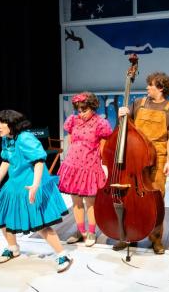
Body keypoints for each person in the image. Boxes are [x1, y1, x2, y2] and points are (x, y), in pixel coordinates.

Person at [0, 110, 73, 273]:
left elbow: (39, 162)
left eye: (0, 123)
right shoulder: (6, 139)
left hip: (32, 182)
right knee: (3, 216)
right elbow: (6, 161)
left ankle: (63, 254)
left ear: (11, 123)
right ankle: (13, 248)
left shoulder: (25, 138)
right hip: (14, 183)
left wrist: (35, 185)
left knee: (40, 224)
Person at [115, 72, 169, 254]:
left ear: (160, 87)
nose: (147, 88)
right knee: (130, 197)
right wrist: (122, 114)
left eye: (150, 85)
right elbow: (125, 126)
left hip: (158, 158)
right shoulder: (138, 103)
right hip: (135, 156)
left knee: (156, 199)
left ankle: (156, 238)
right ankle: (127, 235)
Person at [58, 92, 112, 247]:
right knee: (76, 201)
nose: (81, 113)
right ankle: (80, 231)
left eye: (84, 110)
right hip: (73, 165)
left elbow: (102, 146)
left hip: (90, 167)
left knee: (91, 202)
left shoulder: (100, 123)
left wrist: (101, 164)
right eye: (79, 110)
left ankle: (91, 232)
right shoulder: (72, 121)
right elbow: (72, 141)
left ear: (92, 108)